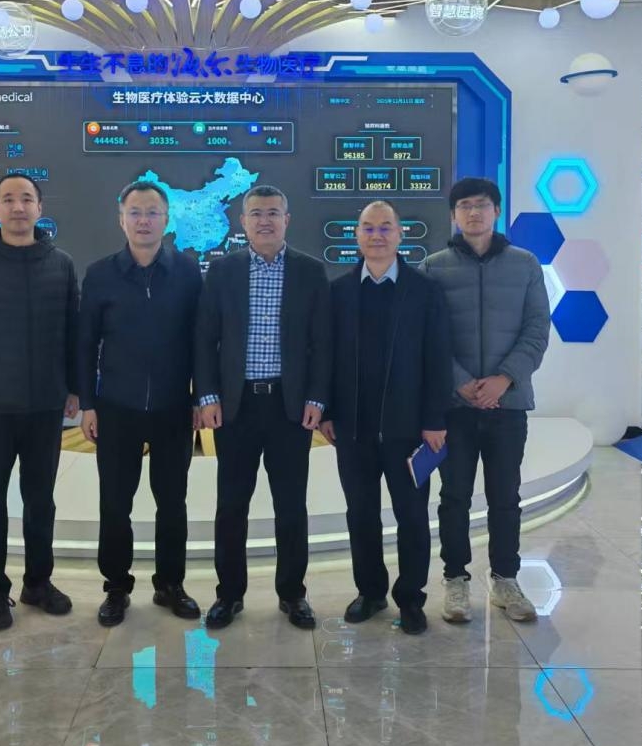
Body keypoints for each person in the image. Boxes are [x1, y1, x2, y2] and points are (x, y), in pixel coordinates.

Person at [195, 185, 331, 630]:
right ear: (243, 222)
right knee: (231, 506)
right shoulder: (223, 271)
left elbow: (322, 344)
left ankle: (292, 594)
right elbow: (205, 338)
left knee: (290, 506)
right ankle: (229, 595)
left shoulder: (310, 271)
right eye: (256, 213)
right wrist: (207, 396)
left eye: (273, 212)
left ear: (287, 220)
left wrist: (316, 398)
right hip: (235, 409)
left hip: (290, 409)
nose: (265, 221)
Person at [0, 172, 80, 631]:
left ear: (40, 208)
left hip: (45, 407)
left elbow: (72, 333)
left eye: (27, 198)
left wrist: (74, 388)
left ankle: (38, 583)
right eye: (8, 199)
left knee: (40, 501)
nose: (18, 207)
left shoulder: (60, 264)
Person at [421, 177, 550, 624]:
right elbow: (428, 337)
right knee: (454, 497)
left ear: (496, 211)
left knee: (505, 497)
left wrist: (503, 380)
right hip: (454, 408)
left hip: (508, 405)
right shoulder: (433, 267)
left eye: (481, 205)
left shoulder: (525, 264)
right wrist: (460, 383)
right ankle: (455, 580)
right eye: (464, 206)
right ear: (453, 215)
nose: (473, 213)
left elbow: (537, 329)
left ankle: (505, 580)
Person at [320, 201, 451, 635]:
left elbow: (438, 358)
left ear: (400, 234)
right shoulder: (338, 292)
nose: (376, 235)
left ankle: (411, 599)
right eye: (368, 228)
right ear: (357, 235)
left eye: (385, 228)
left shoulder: (425, 291)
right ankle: (370, 592)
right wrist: (328, 412)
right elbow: (326, 358)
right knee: (360, 514)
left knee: (412, 516)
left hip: (410, 431)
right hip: (352, 430)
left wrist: (435, 419)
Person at [78, 181, 204, 627]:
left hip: (173, 408)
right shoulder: (100, 274)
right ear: (121, 219)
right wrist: (87, 403)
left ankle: (170, 584)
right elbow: (85, 343)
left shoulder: (188, 272)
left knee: (172, 503)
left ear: (166, 219)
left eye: (152, 212)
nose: (144, 220)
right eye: (135, 212)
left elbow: (201, 341)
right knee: (115, 504)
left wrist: (200, 397)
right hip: (116, 407)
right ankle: (116, 587)